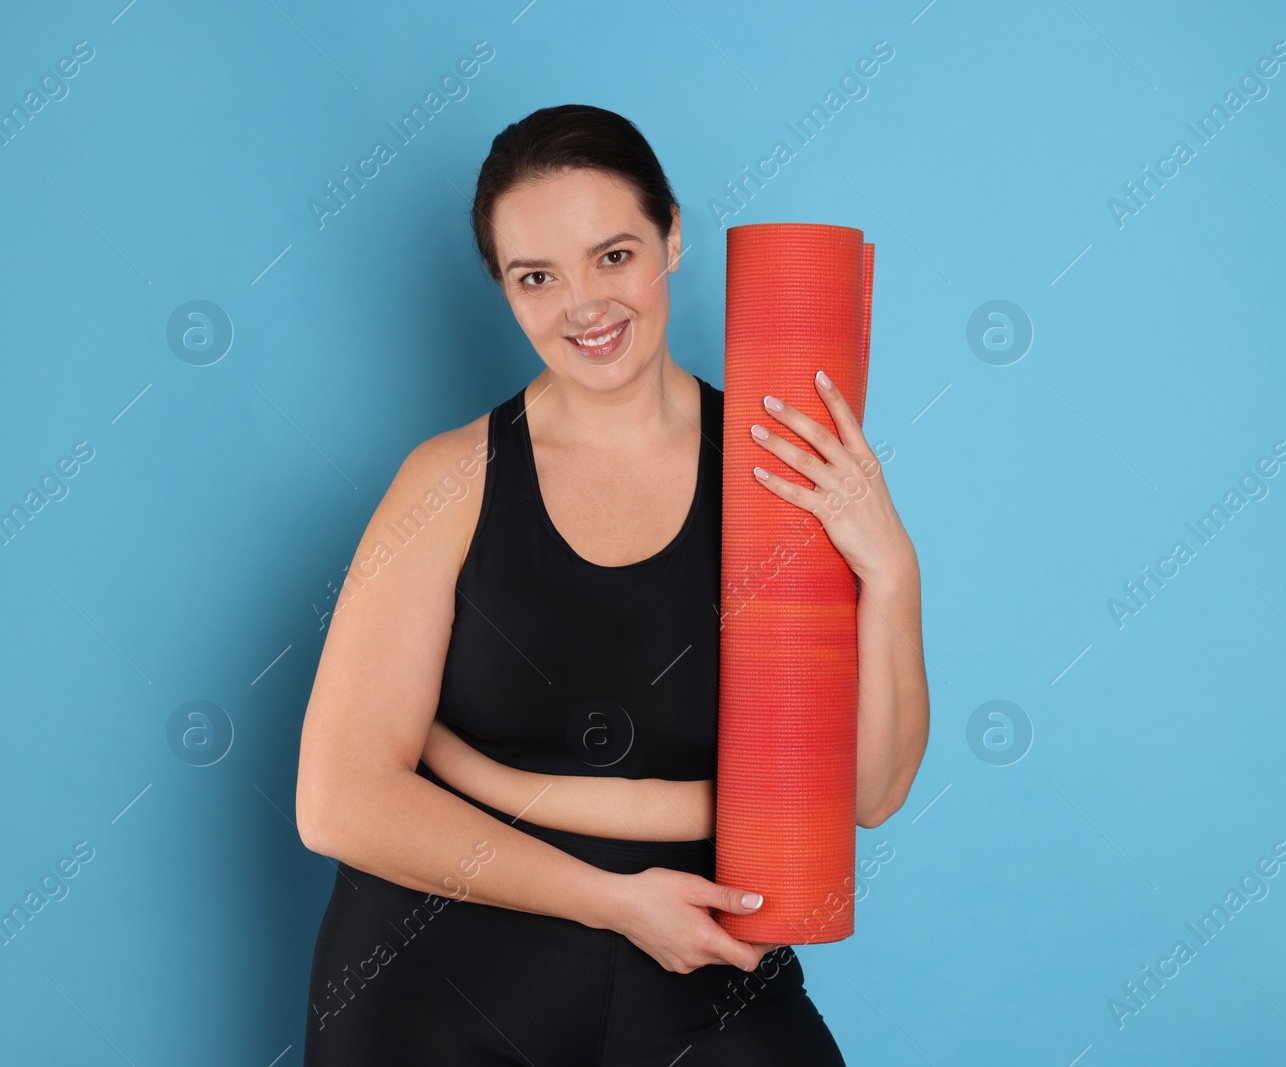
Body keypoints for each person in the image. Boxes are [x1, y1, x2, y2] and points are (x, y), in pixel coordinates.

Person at [295, 103, 929, 1065]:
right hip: (439, 979)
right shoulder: (450, 480)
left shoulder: (783, 469)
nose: (584, 304)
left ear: (672, 236)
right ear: (503, 290)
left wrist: (890, 568)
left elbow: (869, 793)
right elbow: (339, 800)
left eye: (614, 255)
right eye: (536, 276)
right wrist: (617, 900)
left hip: (703, 968)